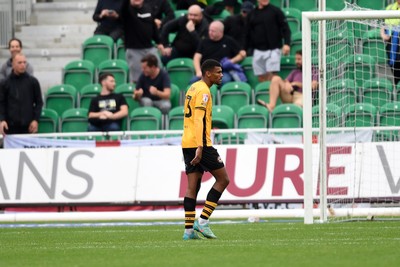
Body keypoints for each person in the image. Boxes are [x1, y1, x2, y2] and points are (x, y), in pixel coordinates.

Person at [181, 59, 230, 240]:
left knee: (192, 186)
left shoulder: (193, 87)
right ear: (208, 73)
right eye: (218, 72)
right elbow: (198, 119)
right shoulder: (203, 91)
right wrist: (201, 147)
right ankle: (202, 222)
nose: (221, 75)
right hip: (200, 144)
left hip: (187, 142)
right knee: (223, 179)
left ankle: (188, 231)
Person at [245, 0, 291, 82]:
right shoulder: (252, 14)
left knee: (273, 75)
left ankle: (273, 92)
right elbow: (247, 33)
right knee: (261, 77)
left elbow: (285, 28)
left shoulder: (276, 11)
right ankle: (265, 93)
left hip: (273, 49)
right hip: (258, 50)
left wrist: (287, 43)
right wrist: (244, 48)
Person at [120, 0, 164, 83]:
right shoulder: (127, 10)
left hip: (150, 48)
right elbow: (123, 6)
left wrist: (159, 42)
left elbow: (153, 26)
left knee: (159, 73)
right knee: (138, 79)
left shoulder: (148, 7)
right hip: (134, 50)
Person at [0, 53, 43, 135]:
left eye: (24, 62)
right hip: (10, 129)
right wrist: (2, 120)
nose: (23, 65)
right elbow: (1, 103)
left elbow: (39, 103)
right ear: (13, 64)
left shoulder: (33, 82)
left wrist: (35, 120)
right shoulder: (5, 83)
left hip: (29, 128)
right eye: (19, 63)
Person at [192, 20, 246, 85]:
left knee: (225, 81)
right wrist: (198, 71)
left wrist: (231, 61)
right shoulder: (204, 42)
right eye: (209, 30)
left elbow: (242, 53)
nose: (210, 33)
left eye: (213, 31)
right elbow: (196, 57)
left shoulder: (229, 41)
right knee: (192, 81)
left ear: (220, 32)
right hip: (206, 71)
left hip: (222, 72)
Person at [380, 0, 400, 85]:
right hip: (391, 44)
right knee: (395, 68)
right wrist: (383, 35)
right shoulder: (390, 8)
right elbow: (383, 26)